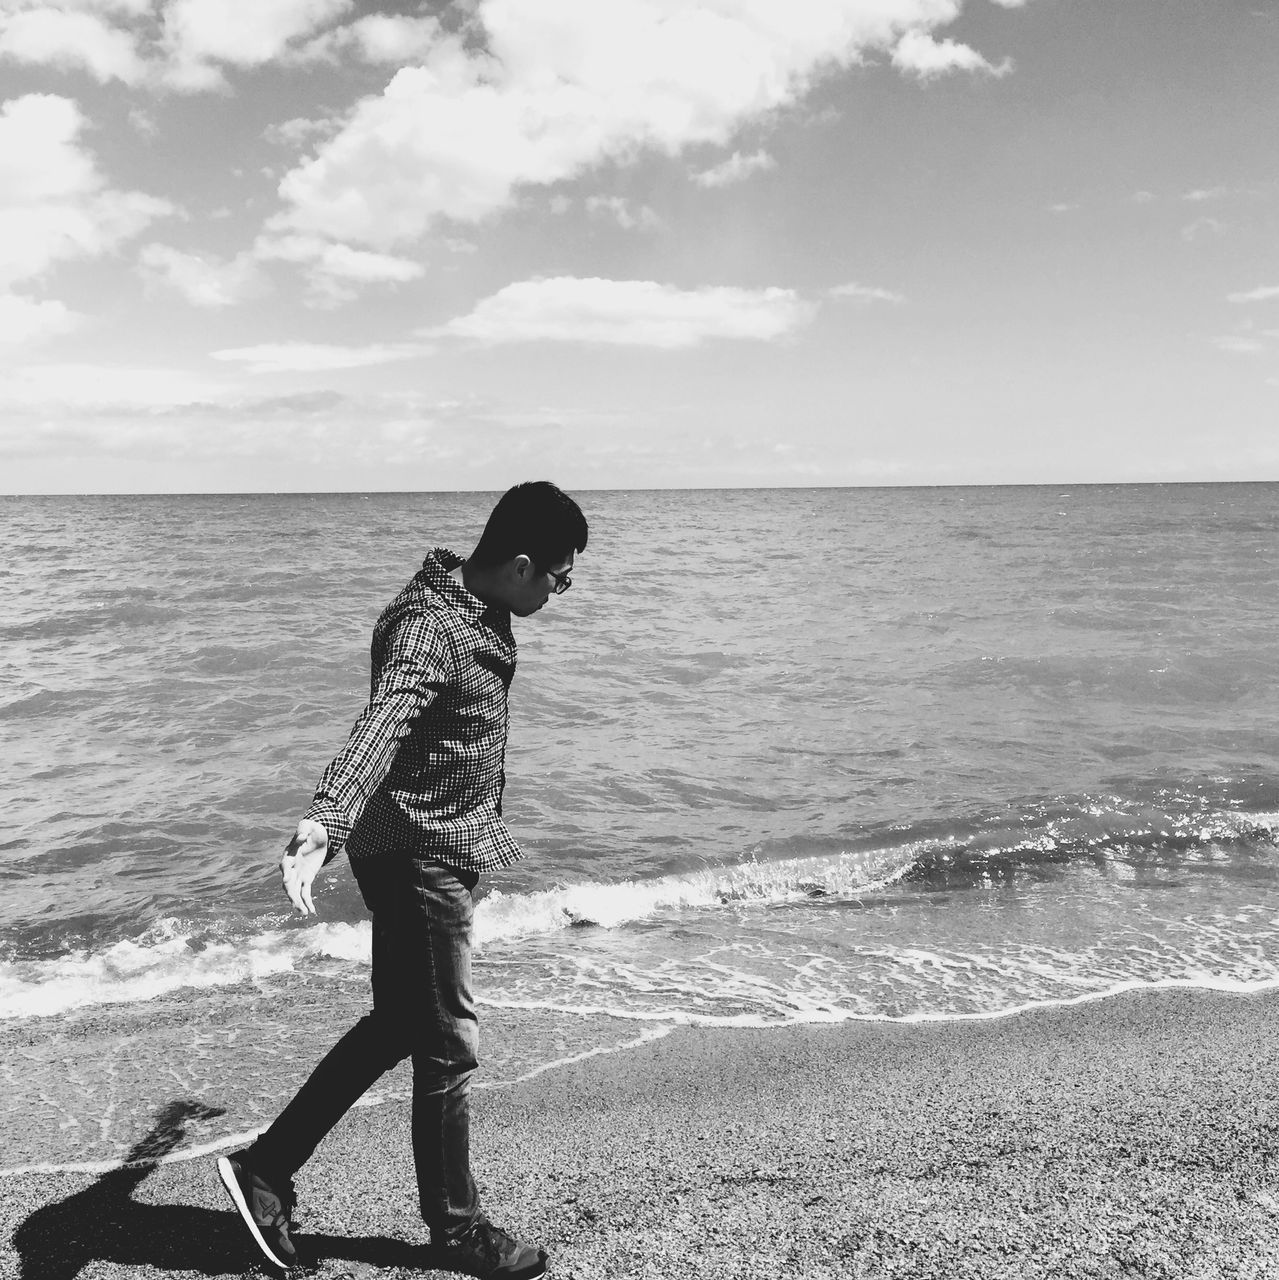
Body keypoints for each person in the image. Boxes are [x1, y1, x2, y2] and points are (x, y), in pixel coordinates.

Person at [216, 481, 589, 1279]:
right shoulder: (431, 628)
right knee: (447, 1046)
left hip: (417, 843)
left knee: (397, 1025)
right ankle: (456, 1232)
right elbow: (383, 721)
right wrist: (325, 819)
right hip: (419, 854)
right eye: (559, 577)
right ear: (520, 566)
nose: (560, 591)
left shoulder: (464, 602)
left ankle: (265, 1169)